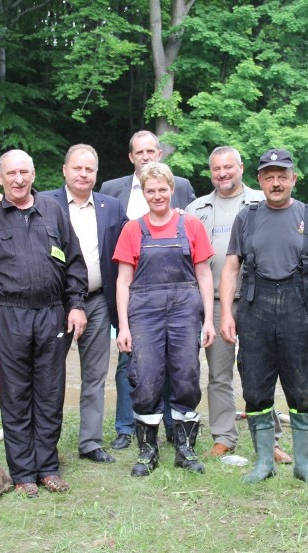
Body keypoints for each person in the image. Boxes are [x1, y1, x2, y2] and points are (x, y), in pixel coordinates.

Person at [0, 149, 88, 498]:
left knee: (50, 392)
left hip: (51, 314)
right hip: (7, 314)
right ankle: (23, 473)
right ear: (0, 178)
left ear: (33, 175)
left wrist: (76, 306)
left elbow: (75, 263)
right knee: (15, 395)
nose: (18, 179)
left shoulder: (53, 211)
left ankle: (47, 468)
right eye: (11, 173)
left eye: (24, 172)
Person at [219, 149, 308, 487]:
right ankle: (264, 461)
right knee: (255, 389)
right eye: (269, 176)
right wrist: (226, 313)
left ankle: (304, 465)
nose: (276, 182)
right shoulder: (247, 218)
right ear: (260, 180)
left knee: (301, 391)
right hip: (255, 311)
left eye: (283, 176)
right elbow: (231, 268)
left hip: (296, 311)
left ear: (293, 179)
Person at [185, 146, 293, 464]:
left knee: (259, 372)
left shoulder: (262, 202)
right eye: (217, 169)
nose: (223, 174)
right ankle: (223, 437)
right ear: (210, 173)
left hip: (257, 300)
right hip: (215, 302)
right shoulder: (196, 209)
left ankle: (268, 439)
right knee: (218, 374)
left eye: (228, 167)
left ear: (241, 168)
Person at [113, 162, 215, 477]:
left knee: (185, 374)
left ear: (172, 190)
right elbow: (122, 281)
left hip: (185, 309)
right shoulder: (132, 229)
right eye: (150, 190)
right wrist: (124, 326)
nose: (157, 195)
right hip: (144, 310)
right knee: (145, 378)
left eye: (162, 189)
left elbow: (204, 274)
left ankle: (185, 450)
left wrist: (208, 319)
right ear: (143, 193)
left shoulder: (191, 226)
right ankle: (148, 452)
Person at [100, 130, 196, 449]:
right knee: (130, 360)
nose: (145, 156)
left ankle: (171, 425)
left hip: (172, 288)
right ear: (131, 157)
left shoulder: (179, 186)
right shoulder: (111, 190)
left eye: (151, 150)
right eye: (139, 151)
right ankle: (126, 426)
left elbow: (190, 236)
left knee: (172, 359)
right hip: (128, 286)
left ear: (160, 154)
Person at [40, 144, 128, 464]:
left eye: (89, 169)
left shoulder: (112, 207)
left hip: (98, 301)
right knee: (50, 374)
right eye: (77, 168)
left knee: (95, 375)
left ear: (96, 174)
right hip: (55, 305)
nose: (83, 174)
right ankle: (46, 440)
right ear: (65, 170)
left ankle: (90, 442)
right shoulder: (43, 203)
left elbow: (129, 247)